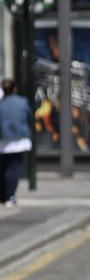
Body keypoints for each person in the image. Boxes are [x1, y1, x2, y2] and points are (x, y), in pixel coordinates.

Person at [0, 79, 31, 207]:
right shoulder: (22, 102)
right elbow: (29, 117)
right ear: (15, 89)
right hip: (18, 141)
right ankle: (10, 196)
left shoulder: (1, 104)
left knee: (3, 168)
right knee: (13, 169)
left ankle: (4, 195)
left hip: (2, 140)